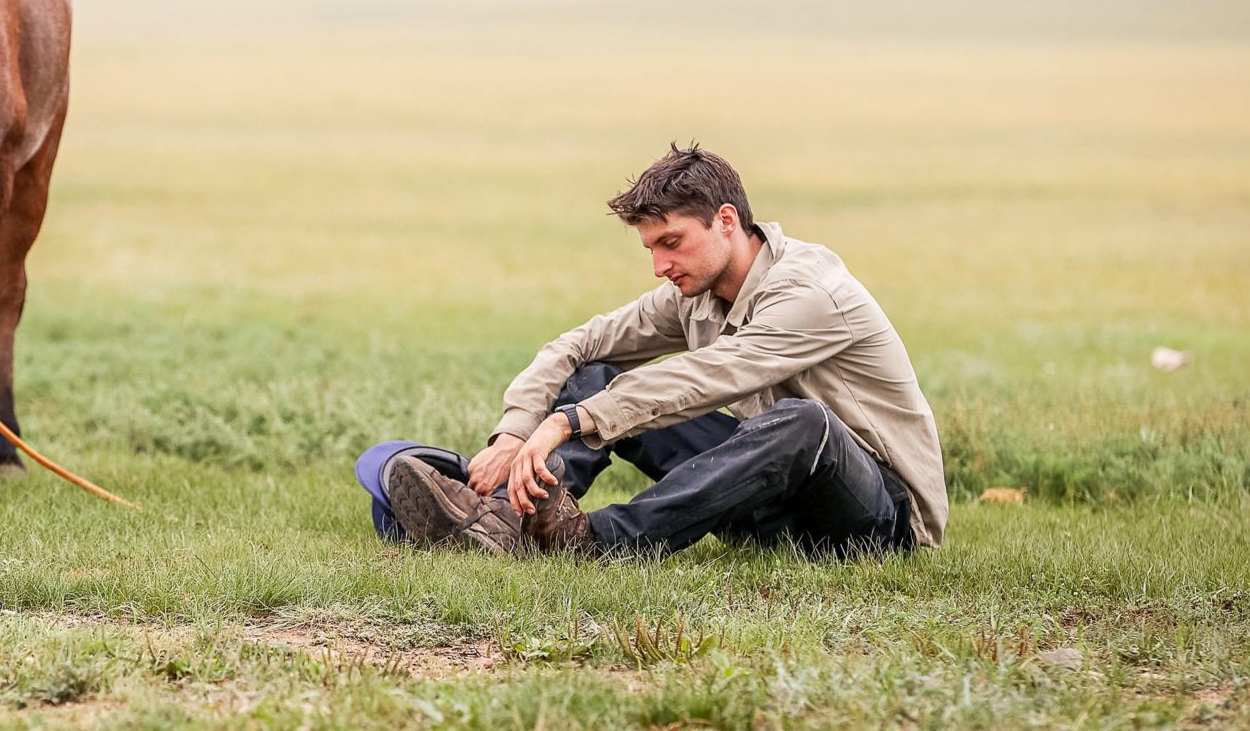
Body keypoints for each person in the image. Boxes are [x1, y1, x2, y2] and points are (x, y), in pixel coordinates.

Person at [362, 143, 946, 558]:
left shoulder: (811, 292)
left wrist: (568, 422)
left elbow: (710, 375)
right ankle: (509, 519)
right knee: (597, 372)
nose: (660, 265)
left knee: (801, 423)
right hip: (770, 499)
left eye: (671, 243)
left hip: (876, 521)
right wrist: (516, 433)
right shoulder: (697, 288)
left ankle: (593, 542)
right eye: (650, 248)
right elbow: (578, 344)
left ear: (725, 221)